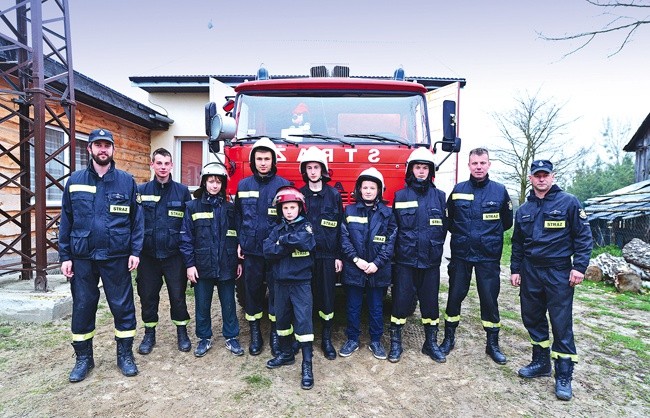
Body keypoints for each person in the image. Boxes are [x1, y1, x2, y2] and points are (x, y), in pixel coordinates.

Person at [59, 128, 144, 382]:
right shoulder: (74, 182)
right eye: (98, 145)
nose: (103, 149)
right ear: (90, 149)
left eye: (107, 145)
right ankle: (84, 358)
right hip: (83, 256)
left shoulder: (126, 181)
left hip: (117, 256)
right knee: (83, 307)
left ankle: (125, 355)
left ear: (113, 149)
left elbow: (136, 221)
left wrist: (135, 251)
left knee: (122, 306)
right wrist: (65, 256)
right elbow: (66, 221)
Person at [510, 160, 592, 401]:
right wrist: (516, 269)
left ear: (553, 177)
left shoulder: (569, 202)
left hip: (558, 272)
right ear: (531, 178)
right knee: (532, 317)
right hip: (531, 271)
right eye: (537, 176)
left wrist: (579, 267)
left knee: (560, 322)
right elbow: (517, 243)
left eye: (546, 175)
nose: (541, 179)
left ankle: (564, 375)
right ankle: (541, 362)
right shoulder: (524, 209)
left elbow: (583, 238)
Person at [441, 147, 512, 365]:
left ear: (489, 164)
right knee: (454, 297)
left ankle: (492, 344)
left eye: (482, 163)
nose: (479, 167)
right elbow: (450, 219)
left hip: (488, 256)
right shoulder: (459, 189)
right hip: (461, 254)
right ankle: (448, 339)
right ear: (469, 165)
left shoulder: (500, 191)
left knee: (489, 300)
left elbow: (507, 222)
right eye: (475, 163)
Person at [179, 163, 244, 357]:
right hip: (202, 264)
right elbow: (185, 238)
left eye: (218, 182)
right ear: (204, 182)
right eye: (211, 181)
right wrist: (190, 265)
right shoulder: (192, 206)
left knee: (229, 303)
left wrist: (239, 262)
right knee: (202, 304)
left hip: (227, 264)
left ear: (223, 184)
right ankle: (204, 338)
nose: (214, 185)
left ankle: (231, 337)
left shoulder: (230, 208)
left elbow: (238, 235)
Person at [390, 148, 447, 363]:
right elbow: (394, 228)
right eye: (417, 167)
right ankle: (396, 343)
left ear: (430, 171)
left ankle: (430, 343)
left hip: (430, 262)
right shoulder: (400, 196)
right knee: (400, 302)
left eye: (425, 167)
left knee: (430, 304)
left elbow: (444, 226)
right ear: (410, 170)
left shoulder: (440, 197)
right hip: (405, 261)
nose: (421, 171)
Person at [235, 137, 290, 356]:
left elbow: (289, 218)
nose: (263, 162)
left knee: (277, 293)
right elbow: (238, 216)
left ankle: (275, 334)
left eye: (267, 158)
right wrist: (240, 240)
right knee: (252, 292)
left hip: (275, 252)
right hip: (251, 250)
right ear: (253, 161)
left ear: (273, 160)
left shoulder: (283, 186)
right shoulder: (243, 185)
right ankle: (256, 333)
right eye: (259, 158)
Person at [135, 148, 192, 355]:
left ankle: (182, 331)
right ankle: (149, 333)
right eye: (158, 163)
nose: (162, 167)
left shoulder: (182, 191)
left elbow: (189, 224)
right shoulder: (141, 191)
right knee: (148, 296)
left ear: (172, 166)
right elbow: (134, 223)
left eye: (166, 163)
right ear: (152, 165)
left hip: (174, 256)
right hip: (148, 256)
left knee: (178, 296)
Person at [339, 168, 397, 360]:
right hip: (355, 268)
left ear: (379, 190)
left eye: (373, 187)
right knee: (353, 306)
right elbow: (344, 238)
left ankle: (376, 341)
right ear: (359, 189)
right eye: (365, 187)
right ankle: (352, 339)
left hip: (377, 269)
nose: (368, 191)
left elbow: (391, 241)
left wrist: (377, 263)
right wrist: (356, 260)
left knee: (376, 307)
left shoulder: (388, 213)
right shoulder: (349, 210)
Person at [263, 186, 317, 390]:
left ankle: (307, 365)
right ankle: (286, 355)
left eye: (292, 207)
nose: (289, 211)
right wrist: (286, 245)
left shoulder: (306, 228)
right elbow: (267, 250)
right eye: (285, 207)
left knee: (303, 324)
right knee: (282, 322)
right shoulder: (276, 229)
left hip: (301, 283)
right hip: (280, 284)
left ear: (300, 208)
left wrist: (283, 242)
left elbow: (305, 242)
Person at [298, 147, 343, 360]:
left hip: (327, 256)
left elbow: (340, 227)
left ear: (322, 169)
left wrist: (338, 256)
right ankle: (305, 338)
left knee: (327, 299)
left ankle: (326, 339)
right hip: (304, 256)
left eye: (316, 167)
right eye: (309, 168)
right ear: (304, 170)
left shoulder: (333, 195)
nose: (313, 171)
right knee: (304, 299)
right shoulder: (299, 195)